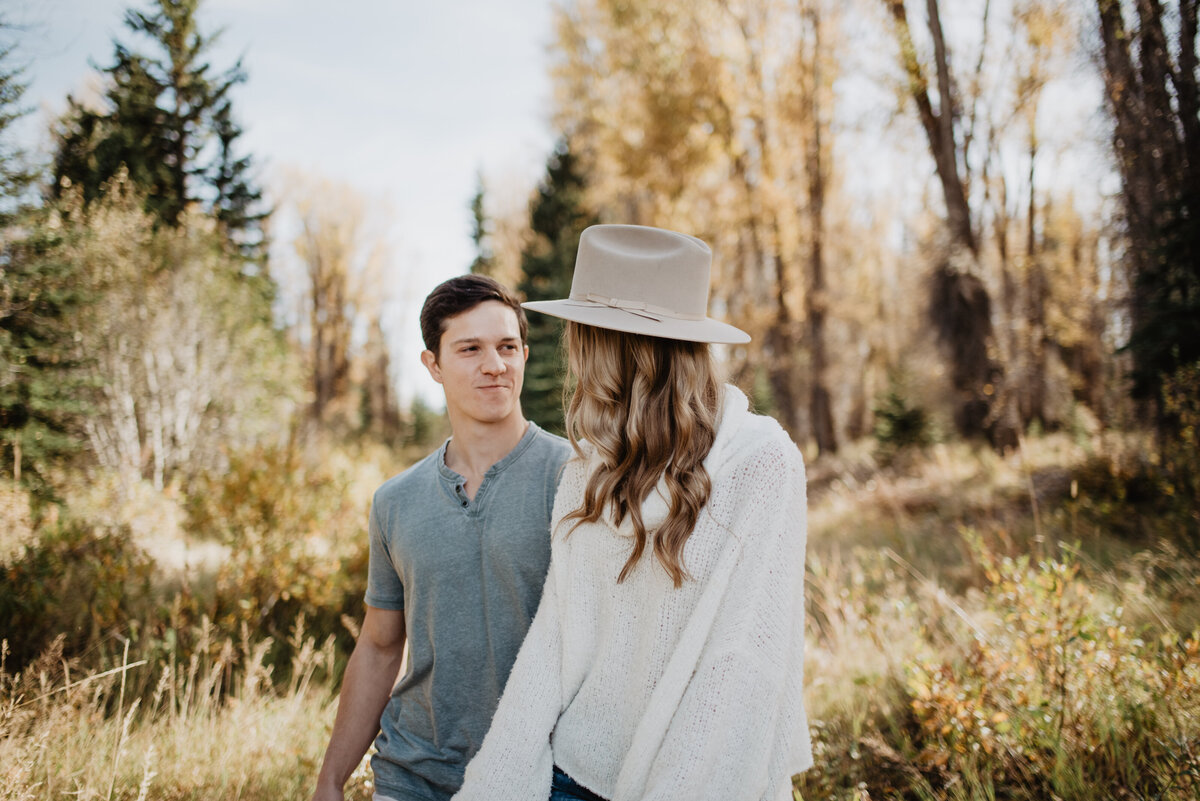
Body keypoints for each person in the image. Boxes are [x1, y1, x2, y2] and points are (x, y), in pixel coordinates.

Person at [451, 224, 812, 801]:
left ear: (609, 343)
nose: (573, 349)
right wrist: (494, 782)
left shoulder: (762, 463)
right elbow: (557, 638)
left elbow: (742, 667)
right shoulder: (587, 466)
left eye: (581, 333)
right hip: (570, 776)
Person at [311, 275, 572, 801]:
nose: (494, 365)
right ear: (432, 364)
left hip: (544, 778)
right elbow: (382, 645)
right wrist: (331, 780)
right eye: (469, 349)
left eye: (506, 347)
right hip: (412, 776)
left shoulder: (575, 478)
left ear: (524, 353)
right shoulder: (395, 501)